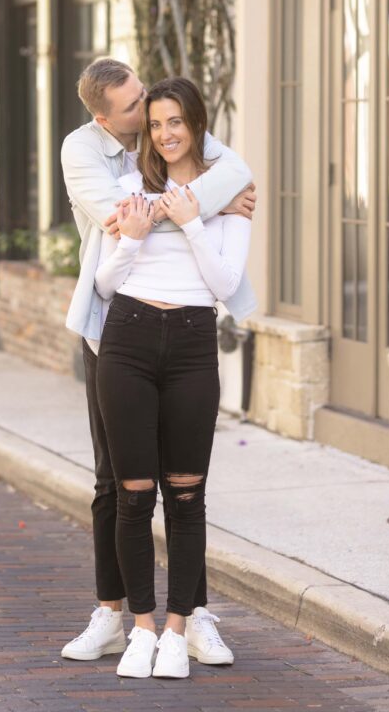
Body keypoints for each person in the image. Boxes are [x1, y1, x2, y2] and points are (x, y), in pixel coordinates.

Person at [60, 58, 256, 666]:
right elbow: (123, 222)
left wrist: (197, 210)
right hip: (112, 330)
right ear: (105, 118)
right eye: (138, 109)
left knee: (185, 488)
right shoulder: (83, 152)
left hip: (189, 330)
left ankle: (188, 619)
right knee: (114, 482)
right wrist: (208, 211)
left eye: (154, 103)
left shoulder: (173, 136)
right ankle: (113, 614)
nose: (150, 117)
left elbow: (237, 172)